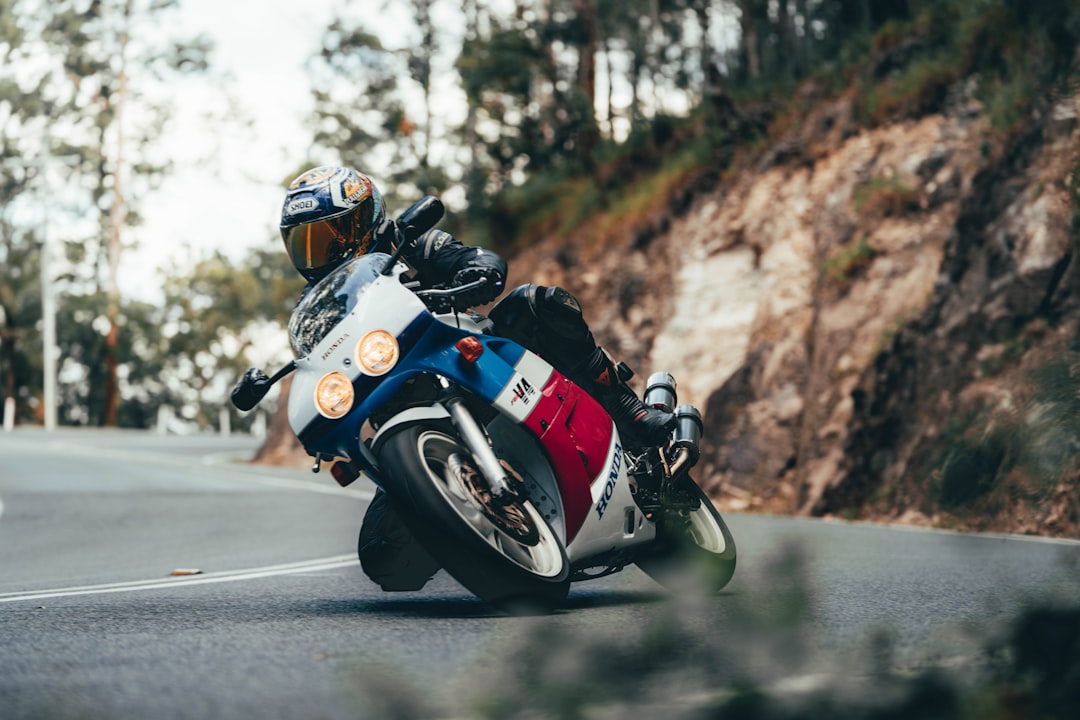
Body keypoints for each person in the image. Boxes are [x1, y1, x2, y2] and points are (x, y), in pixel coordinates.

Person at [279, 165, 674, 590]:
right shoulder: (322, 306)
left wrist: (476, 273)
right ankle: (468, 522)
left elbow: (476, 260)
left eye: (335, 233)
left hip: (471, 356)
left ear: (369, 218)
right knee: (384, 561)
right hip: (403, 407)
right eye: (310, 242)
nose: (324, 250)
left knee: (537, 305)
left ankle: (627, 411)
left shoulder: (411, 243)